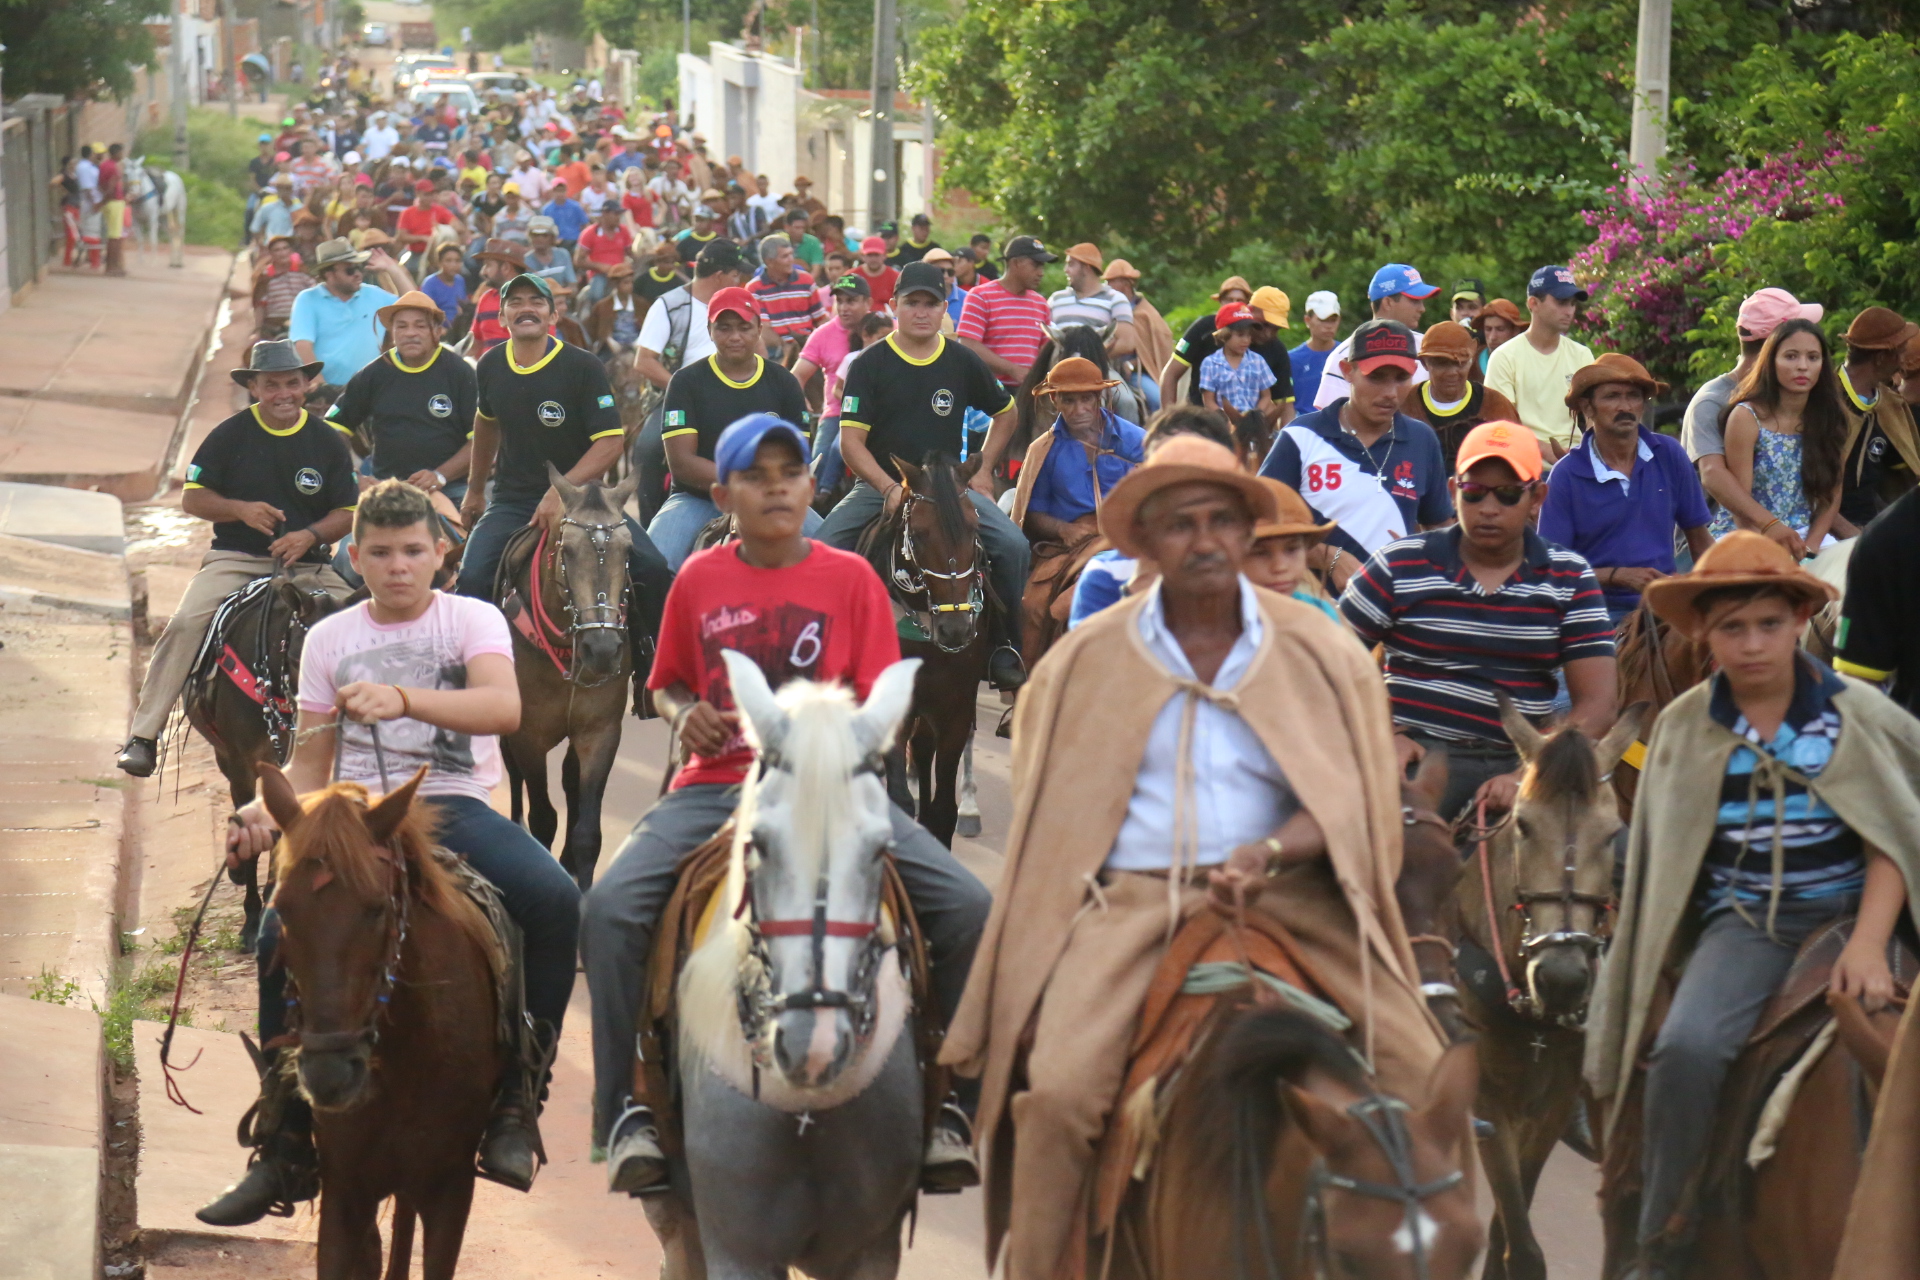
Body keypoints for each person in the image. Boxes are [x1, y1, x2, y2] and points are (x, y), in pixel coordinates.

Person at [941, 435, 1447, 1280]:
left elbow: (1356, 797)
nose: (1205, 540)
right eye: (1180, 524)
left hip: (1293, 900)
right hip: (1135, 907)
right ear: (1144, 544)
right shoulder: (1082, 666)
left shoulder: (1324, 652)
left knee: (1425, 1084)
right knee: (1060, 1099)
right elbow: (1049, 825)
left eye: (1222, 519)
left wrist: (1270, 849)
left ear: (1249, 531)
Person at [582, 414, 990, 1194]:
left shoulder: (851, 579)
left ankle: (950, 1106)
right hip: (715, 785)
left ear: (810, 487)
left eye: (790, 474)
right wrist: (680, 713)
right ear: (724, 492)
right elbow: (666, 680)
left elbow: (880, 703)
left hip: (835, 788)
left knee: (969, 907)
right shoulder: (700, 578)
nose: (775, 487)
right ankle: (624, 1107)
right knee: (608, 910)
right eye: (756, 475)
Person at [197, 479, 583, 1225]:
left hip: (452, 807)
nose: (399, 566)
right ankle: (285, 1135)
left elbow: (502, 707)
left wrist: (404, 699)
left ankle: (516, 1098)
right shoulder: (331, 639)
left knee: (555, 897)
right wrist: (257, 816)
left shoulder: (471, 619)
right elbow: (309, 765)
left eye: (413, 551)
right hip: (352, 818)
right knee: (281, 929)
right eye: (381, 553)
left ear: (442, 553)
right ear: (356, 557)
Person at [1587, 532, 1917, 1280]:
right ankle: (1664, 1232)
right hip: (1748, 926)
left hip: (1856, 918)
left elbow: (1896, 835)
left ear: (1800, 619)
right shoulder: (1684, 729)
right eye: (1732, 628)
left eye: (1769, 624)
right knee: (1686, 1049)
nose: (1753, 643)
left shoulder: (1854, 714)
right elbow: (1666, 852)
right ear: (1702, 632)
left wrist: (1868, 944)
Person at [1340, 421, 1617, 821]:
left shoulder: (1569, 576)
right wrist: (1387, 734)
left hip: (1523, 758)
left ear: (1536, 497)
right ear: (1453, 492)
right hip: (1417, 757)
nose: (1489, 508)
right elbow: (1330, 658)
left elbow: (1598, 704)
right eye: (1474, 492)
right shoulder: (1399, 564)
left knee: (1617, 863)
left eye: (1507, 494)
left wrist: (1534, 771)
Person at [116, 343, 359, 776]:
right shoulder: (228, 435)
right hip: (237, 558)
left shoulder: (327, 441)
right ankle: (145, 733)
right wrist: (240, 509)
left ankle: (399, 729)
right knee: (187, 622)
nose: (283, 393)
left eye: (292, 383)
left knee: (366, 622)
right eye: (271, 385)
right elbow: (193, 498)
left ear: (307, 385)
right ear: (253, 387)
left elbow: (347, 511)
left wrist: (310, 535)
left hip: (309, 565)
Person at [817, 261, 1031, 692]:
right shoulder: (869, 364)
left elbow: (1007, 413)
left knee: (1013, 545)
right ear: (894, 305)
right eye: (911, 302)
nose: (921, 311)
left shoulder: (961, 360)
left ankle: (1003, 646)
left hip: (948, 490)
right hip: (881, 487)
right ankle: (825, 654)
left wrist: (984, 467)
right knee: (823, 551)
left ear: (942, 308)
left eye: (930, 303)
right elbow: (850, 442)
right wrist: (888, 487)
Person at [454, 273, 673, 686]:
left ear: (553, 314)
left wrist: (561, 491)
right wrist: (474, 489)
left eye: (536, 302)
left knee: (654, 569)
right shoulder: (491, 365)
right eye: (515, 302)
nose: (526, 309)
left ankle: (656, 673)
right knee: (472, 578)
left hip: (588, 500)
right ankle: (470, 685)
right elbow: (486, 428)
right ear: (502, 318)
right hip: (513, 499)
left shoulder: (582, 366)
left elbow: (609, 442)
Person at [1261, 319, 1450, 595]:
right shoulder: (1300, 437)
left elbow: (1440, 527)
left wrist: (1423, 559)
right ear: (1347, 371)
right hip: (1316, 612)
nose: (1390, 392)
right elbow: (1260, 520)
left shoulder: (1422, 440)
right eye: (1376, 377)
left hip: (1394, 613)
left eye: (1401, 378)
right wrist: (1329, 557)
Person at [647, 287, 818, 567]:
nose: (735, 337)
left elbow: (798, 456)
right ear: (709, 330)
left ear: (759, 328)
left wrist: (761, 489)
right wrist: (746, 486)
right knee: (654, 564)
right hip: (698, 498)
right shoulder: (685, 382)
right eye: (724, 328)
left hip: (775, 496)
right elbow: (682, 463)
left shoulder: (783, 382)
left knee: (833, 551)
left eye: (744, 327)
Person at [1541, 354, 1713, 625]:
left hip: (1663, 606)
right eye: (1612, 396)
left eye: (1633, 396)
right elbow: (1550, 570)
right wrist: (1617, 575)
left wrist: (1713, 594)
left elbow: (1699, 539)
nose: (1625, 406)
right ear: (1588, 407)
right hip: (1595, 611)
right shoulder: (1566, 475)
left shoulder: (1669, 454)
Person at [1067, 406, 1238, 628]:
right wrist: (1136, 593)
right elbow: (1089, 657)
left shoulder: (1253, 570)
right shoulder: (1107, 575)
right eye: (1165, 469)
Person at [1683, 288, 1822, 559]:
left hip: (1795, 531)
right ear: (1777, 341)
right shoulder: (1713, 400)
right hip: (1716, 538)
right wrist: (1770, 526)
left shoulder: (1797, 398)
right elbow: (1713, 475)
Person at [1707, 317, 1847, 554]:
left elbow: (1832, 495)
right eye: (1791, 356)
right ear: (1771, 362)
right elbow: (1740, 506)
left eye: (1813, 358)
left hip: (1805, 535)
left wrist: (1811, 548)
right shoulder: (1746, 417)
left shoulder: (1829, 418)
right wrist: (1768, 546)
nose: (1803, 366)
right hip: (1747, 533)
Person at [324, 290, 474, 503]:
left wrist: (439, 476)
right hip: (388, 490)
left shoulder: (460, 372)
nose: (410, 333)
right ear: (392, 332)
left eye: (420, 326)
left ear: (437, 331)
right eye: (401, 326)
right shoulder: (373, 374)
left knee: (467, 534)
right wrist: (355, 477)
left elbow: (481, 439)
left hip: (447, 488)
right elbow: (332, 428)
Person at [632, 241, 746, 520]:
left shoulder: (739, 303)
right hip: (676, 399)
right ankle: (650, 529)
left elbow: (762, 353)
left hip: (738, 393)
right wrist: (684, 391)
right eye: (735, 275)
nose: (740, 281)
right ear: (719, 275)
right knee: (647, 450)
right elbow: (644, 361)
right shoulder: (669, 305)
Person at [1483, 265, 1596, 458]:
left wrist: (1589, 455)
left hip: (1575, 464)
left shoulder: (1582, 355)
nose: (1569, 311)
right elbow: (1501, 426)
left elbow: (1595, 417)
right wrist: (1553, 454)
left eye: (1572, 303)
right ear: (1533, 303)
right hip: (1524, 471)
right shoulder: (1504, 357)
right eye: (1561, 302)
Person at [1835, 305, 1920, 532]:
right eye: (1900, 352)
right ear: (1882, 357)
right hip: (1826, 531)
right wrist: (1853, 535)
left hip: (1871, 526)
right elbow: (1810, 490)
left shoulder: (1889, 404)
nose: (1903, 361)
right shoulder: (1827, 399)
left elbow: (1901, 471)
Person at [289, 238, 410, 393]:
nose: (358, 274)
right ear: (329, 274)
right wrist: (320, 385)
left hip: (371, 390)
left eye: (359, 268)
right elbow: (302, 345)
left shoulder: (373, 294)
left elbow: (416, 305)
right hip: (328, 390)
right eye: (350, 270)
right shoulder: (308, 299)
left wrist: (393, 269)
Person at [1398, 320, 1519, 471]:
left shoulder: (1495, 406)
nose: (1452, 372)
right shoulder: (1405, 404)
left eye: (1461, 363)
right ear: (1424, 363)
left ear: (1471, 359)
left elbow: (1516, 462)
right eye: (1442, 363)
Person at [1312, 265, 1437, 409]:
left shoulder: (1428, 347)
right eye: (1414, 300)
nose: (1422, 308)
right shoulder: (1344, 355)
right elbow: (1332, 420)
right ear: (1388, 302)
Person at [793, 272, 873, 484]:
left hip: (878, 414)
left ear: (868, 302)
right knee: (815, 468)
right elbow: (797, 376)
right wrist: (799, 402)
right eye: (840, 301)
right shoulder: (822, 334)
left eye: (852, 301)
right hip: (836, 414)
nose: (844, 307)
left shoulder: (885, 329)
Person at [956, 235, 1057, 392]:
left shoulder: (1041, 303)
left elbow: (1046, 349)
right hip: (988, 391)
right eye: (1036, 265)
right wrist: (1013, 370)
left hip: (1029, 392)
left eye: (1042, 266)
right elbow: (969, 345)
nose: (1041, 272)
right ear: (1015, 263)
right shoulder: (981, 296)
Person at [1242, 476, 1343, 624]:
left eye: (1292, 550)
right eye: (1260, 553)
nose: (1280, 567)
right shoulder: (1217, 623)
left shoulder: (1320, 614)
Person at [1159, 275, 1252, 408]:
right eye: (1229, 300)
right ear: (1220, 302)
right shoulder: (1203, 328)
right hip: (1199, 412)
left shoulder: (1256, 332)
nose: (1233, 304)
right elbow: (1170, 374)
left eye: (1239, 301)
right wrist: (1168, 415)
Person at [1197, 302, 1275, 446]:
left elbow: (1266, 396)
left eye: (1248, 335)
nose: (1246, 340)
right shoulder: (1210, 363)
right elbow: (1209, 401)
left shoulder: (1258, 361)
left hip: (1254, 424)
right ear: (1225, 334)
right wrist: (1223, 418)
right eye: (1240, 335)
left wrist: (1255, 415)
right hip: (1223, 425)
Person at [1047, 243, 1136, 362]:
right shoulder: (1056, 299)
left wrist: (1093, 360)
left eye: (1071, 264)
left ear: (1086, 268)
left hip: (1100, 373)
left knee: (1118, 381)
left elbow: (1127, 343)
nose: (1066, 270)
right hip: (1057, 370)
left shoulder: (1116, 300)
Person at [1102, 260, 1169, 414]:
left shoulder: (1144, 314)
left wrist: (1131, 365)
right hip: (1105, 369)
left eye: (1111, 281)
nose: (1106, 286)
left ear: (1126, 283)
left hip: (1133, 374)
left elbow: (1153, 351)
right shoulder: (1104, 307)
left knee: (1159, 400)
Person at [745, 233, 824, 362]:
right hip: (776, 350)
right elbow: (764, 330)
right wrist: (787, 347)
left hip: (808, 346)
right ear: (769, 262)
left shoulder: (806, 280)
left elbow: (820, 318)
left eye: (791, 254)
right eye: (785, 256)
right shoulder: (754, 288)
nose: (791, 260)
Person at [1288, 291, 1341, 416]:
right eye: (1323, 320)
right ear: (1308, 320)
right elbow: (1287, 406)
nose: (1329, 326)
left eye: (1333, 320)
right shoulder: (1292, 359)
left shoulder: (1347, 355)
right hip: (1304, 428)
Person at [574, 199, 635, 303]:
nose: (618, 217)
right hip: (599, 274)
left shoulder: (623, 231)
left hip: (621, 273)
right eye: (615, 214)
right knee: (596, 295)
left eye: (619, 214)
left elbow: (632, 254)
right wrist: (600, 267)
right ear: (605, 214)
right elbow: (578, 260)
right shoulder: (590, 233)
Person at [251, 236, 310, 342]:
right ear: (271, 254)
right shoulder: (265, 276)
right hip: (274, 325)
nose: (282, 253)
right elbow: (259, 305)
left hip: (302, 322)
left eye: (285, 248)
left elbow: (315, 295)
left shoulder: (302, 272)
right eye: (277, 250)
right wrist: (257, 330)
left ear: (291, 251)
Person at [522, 216, 579, 292]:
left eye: (545, 235)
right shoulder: (525, 260)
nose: (540, 239)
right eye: (535, 235)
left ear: (552, 237)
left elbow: (572, 283)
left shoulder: (563, 255)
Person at [1473, 298, 1524, 377]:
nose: (1492, 337)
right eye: (1488, 329)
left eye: (1500, 329)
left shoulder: (1528, 361)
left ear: (1515, 331)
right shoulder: (1470, 362)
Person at [419, 242, 469, 320]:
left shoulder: (460, 280)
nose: (453, 265)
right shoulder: (430, 283)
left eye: (457, 261)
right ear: (439, 262)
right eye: (448, 261)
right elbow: (426, 311)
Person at [851, 234, 899, 310]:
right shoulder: (851, 277)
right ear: (862, 256)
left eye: (876, 255)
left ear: (885, 255)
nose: (873, 259)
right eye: (869, 255)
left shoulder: (896, 277)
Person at [540, 180, 588, 248]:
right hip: (556, 243)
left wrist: (581, 239)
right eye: (557, 191)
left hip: (574, 241)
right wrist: (553, 240)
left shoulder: (576, 206)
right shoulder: (547, 209)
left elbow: (584, 224)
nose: (560, 193)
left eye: (562, 190)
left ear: (566, 191)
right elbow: (545, 229)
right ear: (553, 191)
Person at [780, 206, 825, 274]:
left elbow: (816, 270)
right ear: (787, 227)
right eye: (797, 228)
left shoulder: (813, 242)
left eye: (803, 228)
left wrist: (807, 283)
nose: (801, 231)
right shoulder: (778, 241)